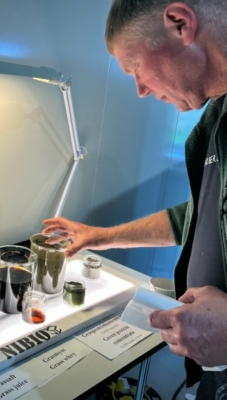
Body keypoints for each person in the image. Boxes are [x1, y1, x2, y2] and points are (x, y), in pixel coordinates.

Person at [42, 0, 227, 398]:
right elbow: (194, 218)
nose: (141, 90)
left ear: (180, 23)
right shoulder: (216, 121)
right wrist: (98, 236)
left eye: (135, 69)